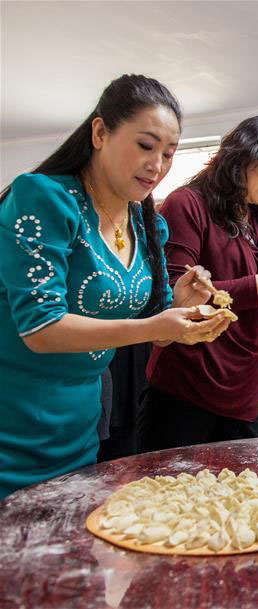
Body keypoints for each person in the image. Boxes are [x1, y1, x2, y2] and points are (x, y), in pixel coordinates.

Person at [0, 75, 228, 498]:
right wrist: (156, 326)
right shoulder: (45, 198)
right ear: (100, 132)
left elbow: (154, 327)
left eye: (169, 153)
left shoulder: (147, 224)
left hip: (79, 427)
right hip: (12, 422)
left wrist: (183, 304)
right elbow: (40, 328)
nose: (157, 165)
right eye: (146, 145)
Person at [143, 115, 258, 450]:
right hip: (188, 385)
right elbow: (175, 296)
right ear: (244, 152)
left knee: (242, 495)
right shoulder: (187, 204)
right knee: (174, 493)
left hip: (245, 389)